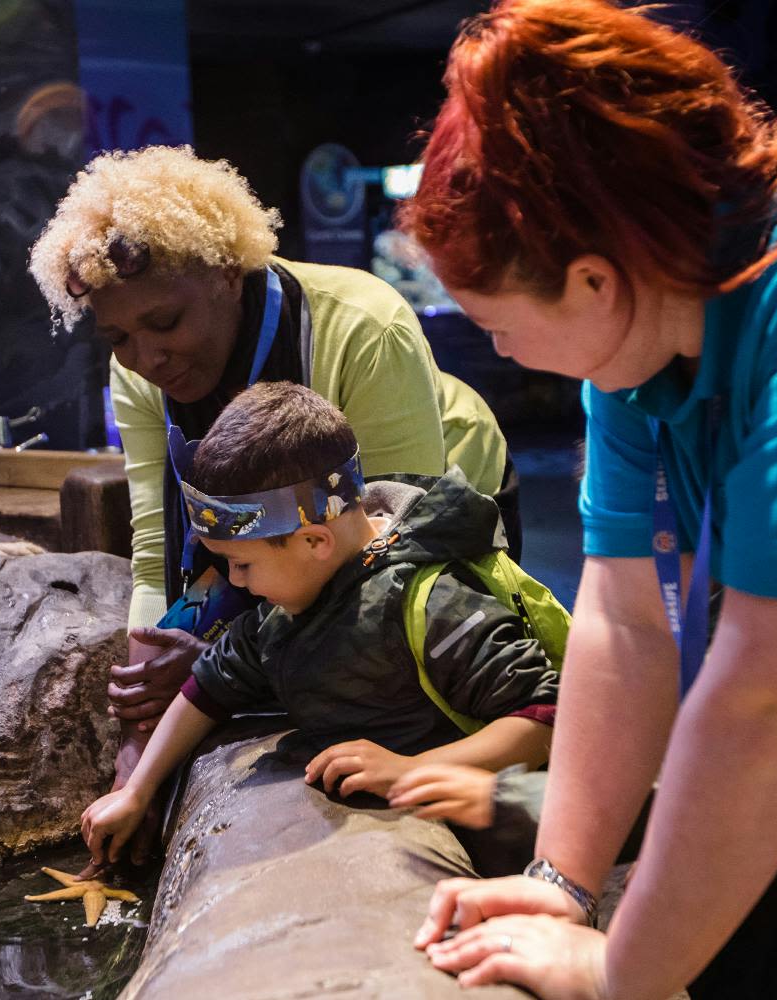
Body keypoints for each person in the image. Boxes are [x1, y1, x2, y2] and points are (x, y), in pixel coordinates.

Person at [395, 1, 777, 997]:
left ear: (592, 280)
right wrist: (559, 881)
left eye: (496, 327)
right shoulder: (643, 339)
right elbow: (625, 621)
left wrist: (617, 974)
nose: (498, 353)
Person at [27, 146, 522, 845]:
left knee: (417, 655)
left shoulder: (360, 326)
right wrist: (139, 732)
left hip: (428, 496)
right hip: (299, 530)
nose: (148, 357)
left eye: (165, 323)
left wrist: (215, 648)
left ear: (228, 274)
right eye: (119, 336)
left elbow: (390, 546)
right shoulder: (138, 373)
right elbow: (154, 550)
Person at [80, 381, 559, 865]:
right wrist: (138, 789)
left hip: (501, 856)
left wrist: (410, 770)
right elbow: (208, 686)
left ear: (314, 542)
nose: (237, 583)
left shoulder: (432, 602)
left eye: (242, 564)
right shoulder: (285, 608)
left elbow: (542, 719)